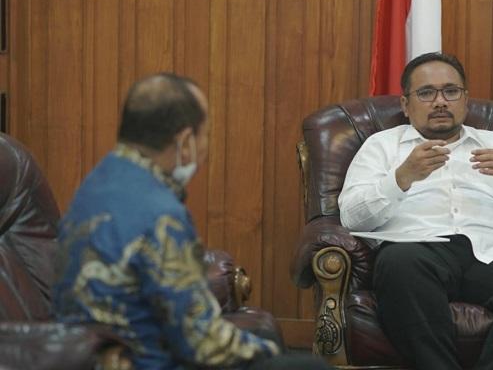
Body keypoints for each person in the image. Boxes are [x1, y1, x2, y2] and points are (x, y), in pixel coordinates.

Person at [52, 73, 331, 370]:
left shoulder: (95, 184)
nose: (205, 148)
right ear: (185, 142)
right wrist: (271, 352)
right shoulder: (160, 214)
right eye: (205, 135)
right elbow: (202, 341)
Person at [338, 52, 493, 370]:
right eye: (426, 93)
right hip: (416, 247)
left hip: (492, 250)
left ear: (465, 99)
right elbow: (351, 216)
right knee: (399, 265)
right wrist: (401, 179)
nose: (440, 102)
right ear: (405, 104)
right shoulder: (382, 146)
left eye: (450, 91)